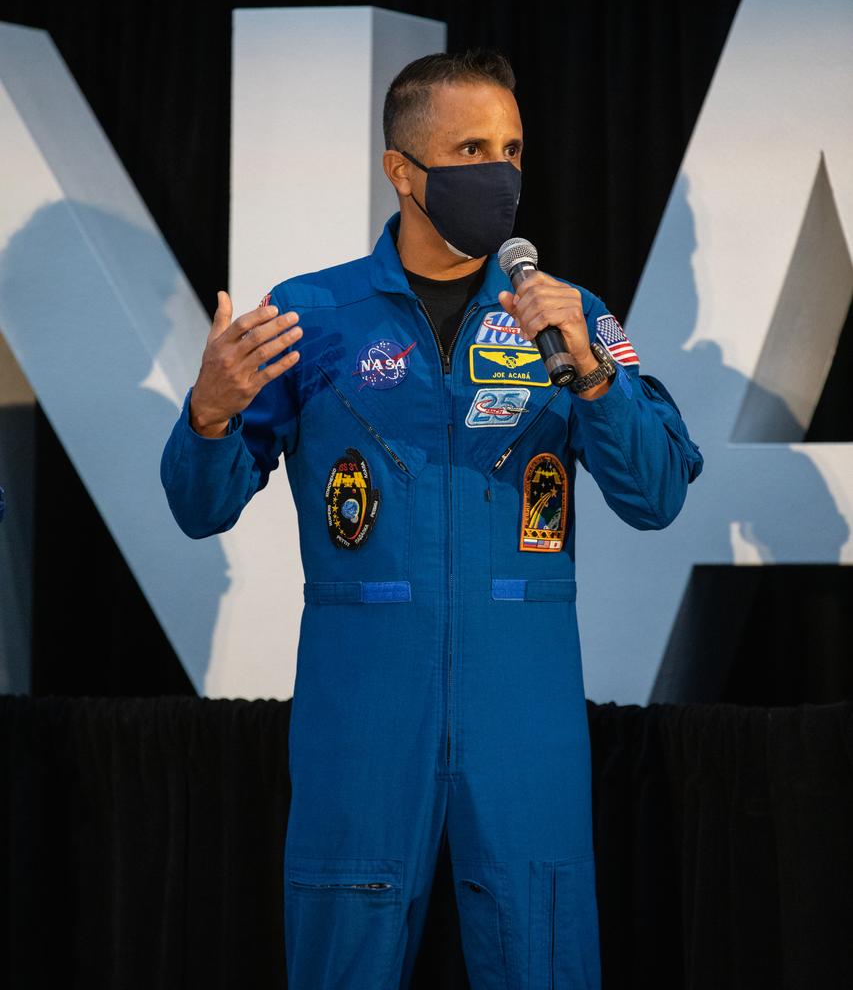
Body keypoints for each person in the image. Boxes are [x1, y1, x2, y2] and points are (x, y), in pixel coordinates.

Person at [160, 49, 703, 989]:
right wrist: (207, 413)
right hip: (363, 699)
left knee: (542, 949)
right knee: (342, 952)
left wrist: (595, 372)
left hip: (521, 698)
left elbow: (653, 496)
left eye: (512, 147)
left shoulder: (568, 318)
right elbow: (199, 509)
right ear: (402, 171)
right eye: (470, 148)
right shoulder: (312, 314)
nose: (500, 171)